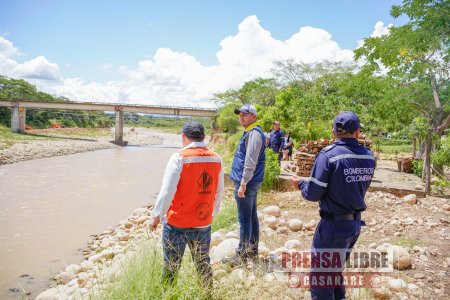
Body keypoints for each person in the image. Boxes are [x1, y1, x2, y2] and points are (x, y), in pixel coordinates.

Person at [291, 111, 375, 300]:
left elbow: (313, 193)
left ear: (333, 132)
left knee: (321, 280)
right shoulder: (368, 157)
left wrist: (301, 184)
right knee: (335, 272)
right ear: (358, 133)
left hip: (332, 227)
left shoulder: (328, 156)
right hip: (354, 225)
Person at [149, 121, 224, 288]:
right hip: (203, 222)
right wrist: (212, 215)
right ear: (203, 137)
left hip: (177, 223)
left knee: (171, 267)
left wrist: (156, 217)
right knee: (203, 264)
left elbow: (167, 191)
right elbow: (219, 191)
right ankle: (207, 295)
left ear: (184, 137)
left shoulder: (179, 157)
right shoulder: (216, 158)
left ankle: (168, 296)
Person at [223, 104, 266, 265]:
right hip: (250, 182)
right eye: (240, 115)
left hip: (247, 183)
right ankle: (252, 250)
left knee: (244, 219)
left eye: (245, 115)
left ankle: (242, 254)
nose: (241, 118)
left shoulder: (254, 133)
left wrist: (243, 183)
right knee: (251, 217)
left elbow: (250, 161)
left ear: (253, 116)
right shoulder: (251, 132)